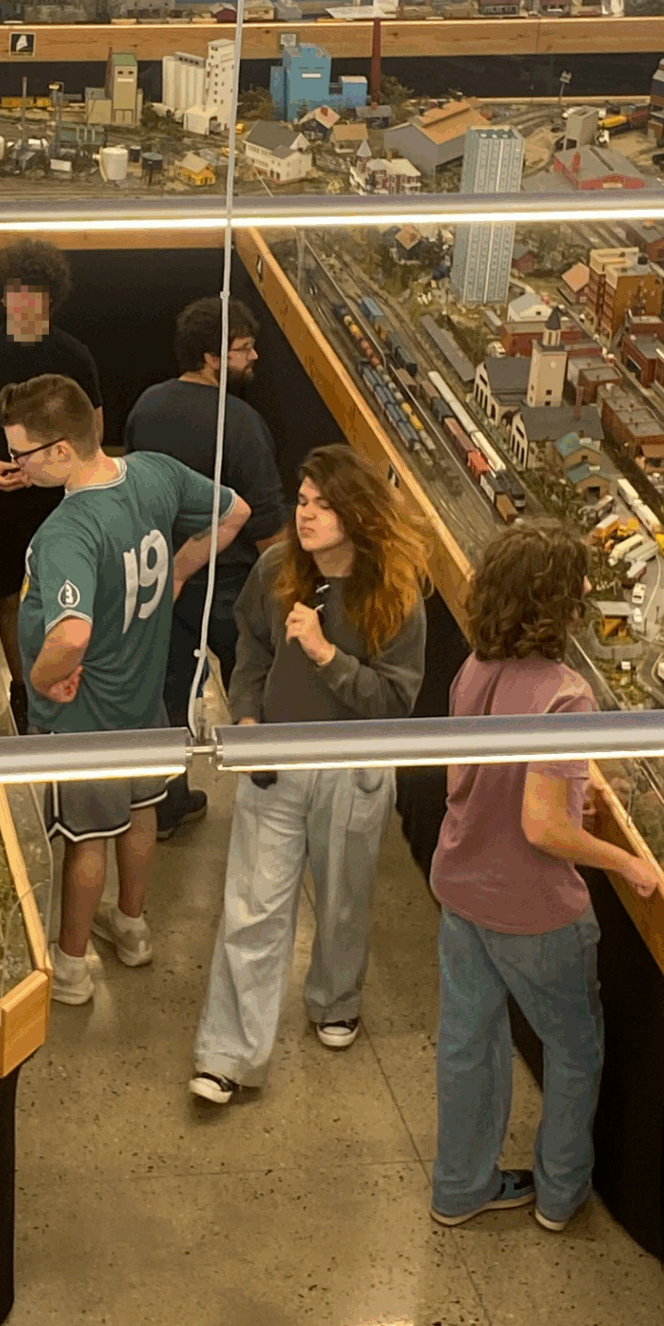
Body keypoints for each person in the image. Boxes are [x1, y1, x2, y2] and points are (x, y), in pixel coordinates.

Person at [428, 520, 659, 1233]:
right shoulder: (566, 694)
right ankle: (560, 1195)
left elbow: (490, 776)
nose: (589, 590)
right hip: (534, 910)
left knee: (468, 1044)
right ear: (554, 601)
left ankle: (459, 1188)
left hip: (462, 888)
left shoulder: (474, 668)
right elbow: (541, 826)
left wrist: (577, 773)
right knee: (574, 1046)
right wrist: (627, 861)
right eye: (579, 583)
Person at [0, 374, 251, 1006]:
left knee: (87, 839)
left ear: (61, 450)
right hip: (146, 699)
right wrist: (177, 577)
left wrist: (38, 678)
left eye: (22, 453)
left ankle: (73, 965)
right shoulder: (154, 474)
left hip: (87, 717)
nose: (16, 466)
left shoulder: (66, 534)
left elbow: (73, 634)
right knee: (140, 815)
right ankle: (133, 928)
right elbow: (234, 512)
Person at [190, 443, 429, 1104]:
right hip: (273, 763)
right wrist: (244, 722)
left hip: (352, 771)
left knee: (344, 898)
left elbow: (395, 700)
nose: (308, 515)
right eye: (302, 501)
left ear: (358, 512)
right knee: (251, 909)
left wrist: (327, 655)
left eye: (324, 504)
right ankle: (227, 1054)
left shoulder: (396, 594)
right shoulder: (275, 569)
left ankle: (335, 1000)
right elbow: (250, 650)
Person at [124, 296, 288, 841]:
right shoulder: (242, 424)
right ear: (212, 357)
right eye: (243, 350)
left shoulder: (145, 407)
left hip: (161, 581)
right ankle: (270, 792)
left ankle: (166, 805)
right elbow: (268, 529)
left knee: (168, 694)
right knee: (255, 687)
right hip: (231, 587)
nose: (254, 357)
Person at [0, 239, 104, 737]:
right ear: (2, 297)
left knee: (68, 597)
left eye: (35, 294)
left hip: (59, 503)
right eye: (16, 294)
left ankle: (67, 677)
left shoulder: (74, 355)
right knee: (10, 598)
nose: (25, 304)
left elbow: (93, 433)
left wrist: (61, 472)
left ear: (51, 297)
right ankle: (22, 688)